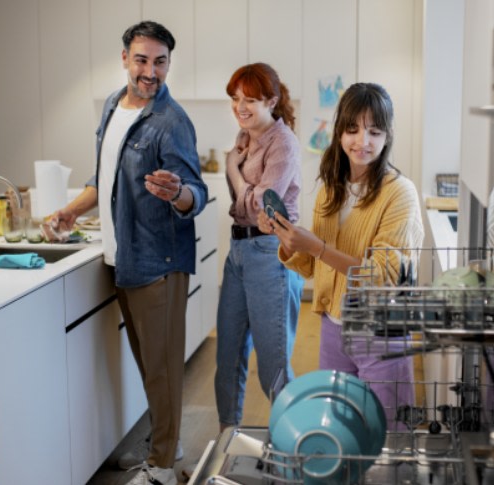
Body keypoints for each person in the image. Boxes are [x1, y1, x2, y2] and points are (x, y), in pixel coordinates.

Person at [48, 21, 207, 485]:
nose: (150, 71)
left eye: (160, 61)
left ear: (168, 64)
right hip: (124, 258)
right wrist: (71, 211)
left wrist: (177, 192)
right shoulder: (113, 107)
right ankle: (167, 441)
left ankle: (161, 467)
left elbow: (193, 191)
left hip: (159, 262)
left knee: (161, 370)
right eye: (142, 59)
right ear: (124, 58)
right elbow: (104, 178)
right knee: (148, 365)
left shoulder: (172, 122)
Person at [258, 82, 424, 430]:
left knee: (389, 433)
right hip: (334, 326)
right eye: (352, 130)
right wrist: (286, 238)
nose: (362, 141)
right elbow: (313, 266)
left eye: (374, 131)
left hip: (382, 331)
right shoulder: (332, 188)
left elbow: (383, 275)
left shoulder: (400, 194)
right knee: (340, 430)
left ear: (387, 135)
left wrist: (316, 246)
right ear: (339, 131)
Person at [214, 63, 304, 432]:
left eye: (250, 99)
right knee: (228, 354)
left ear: (272, 100)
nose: (241, 107)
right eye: (236, 99)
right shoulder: (245, 136)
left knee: (273, 363)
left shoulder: (284, 142)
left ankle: (298, 443)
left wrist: (232, 170)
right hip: (239, 252)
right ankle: (225, 440)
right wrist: (235, 165)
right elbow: (243, 205)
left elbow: (265, 202)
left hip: (271, 253)